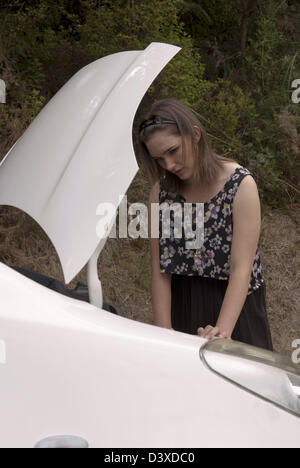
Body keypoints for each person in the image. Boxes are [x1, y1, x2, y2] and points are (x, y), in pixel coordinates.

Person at [138, 98, 273, 350]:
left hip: (235, 308)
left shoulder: (240, 185)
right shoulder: (161, 193)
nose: (169, 165)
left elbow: (240, 268)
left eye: (173, 151)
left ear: (195, 134)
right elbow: (160, 270)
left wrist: (222, 331)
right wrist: (163, 330)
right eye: (159, 159)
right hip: (183, 305)